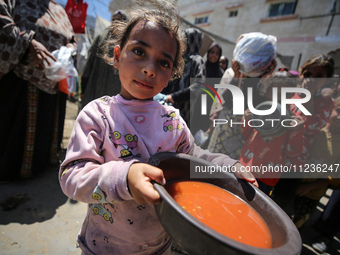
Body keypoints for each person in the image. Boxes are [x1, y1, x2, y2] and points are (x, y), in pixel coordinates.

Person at [58, 3, 258, 254]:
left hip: (160, 245)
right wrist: (124, 177)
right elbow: (72, 177)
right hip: (104, 246)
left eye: (163, 62)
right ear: (118, 56)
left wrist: (228, 166)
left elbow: (195, 158)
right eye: (139, 51)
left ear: (172, 74)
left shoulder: (172, 121)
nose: (149, 69)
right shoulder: (97, 115)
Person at [0, 0, 76, 181]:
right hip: (20, 79)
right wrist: (28, 43)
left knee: (45, 128)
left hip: (52, 82)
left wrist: (70, 48)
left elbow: (72, 38)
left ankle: (40, 167)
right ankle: (10, 171)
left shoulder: (58, 9)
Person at [271, 54, 335, 218]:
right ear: (300, 74)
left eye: (318, 76)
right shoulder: (290, 94)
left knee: (278, 206)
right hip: (272, 156)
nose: (311, 79)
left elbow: (311, 126)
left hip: (294, 162)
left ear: (326, 80)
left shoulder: (325, 103)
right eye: (307, 75)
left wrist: (308, 98)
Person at [208, 33, 277, 159]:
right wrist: (236, 76)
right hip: (224, 130)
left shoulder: (261, 80)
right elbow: (226, 98)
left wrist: (266, 77)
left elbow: (260, 103)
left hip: (242, 133)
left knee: (230, 170)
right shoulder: (233, 73)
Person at [239, 70, 305, 196]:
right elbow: (246, 134)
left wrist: (297, 131)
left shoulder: (293, 120)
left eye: (283, 94)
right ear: (268, 92)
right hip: (245, 165)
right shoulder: (260, 110)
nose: (278, 97)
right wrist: (246, 120)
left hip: (266, 176)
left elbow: (293, 151)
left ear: (291, 94)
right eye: (275, 92)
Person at [290, 97, 340, 229]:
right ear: (332, 109)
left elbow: (333, 177)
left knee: (295, 226)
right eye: (338, 111)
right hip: (292, 182)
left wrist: (308, 187)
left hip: (311, 194)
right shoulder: (315, 130)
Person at [81, 10, 128, 107]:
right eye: (114, 20)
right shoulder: (101, 37)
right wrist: (84, 86)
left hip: (117, 94)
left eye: (119, 20)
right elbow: (89, 63)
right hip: (96, 88)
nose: (115, 23)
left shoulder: (128, 42)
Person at [164, 27, 206, 125]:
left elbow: (199, 86)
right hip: (172, 107)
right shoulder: (183, 59)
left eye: (185, 40)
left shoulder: (197, 60)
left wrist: (175, 97)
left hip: (185, 111)